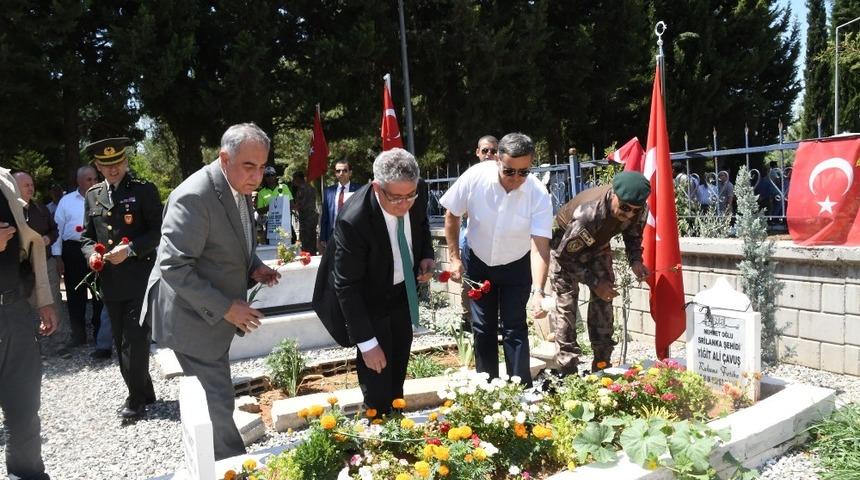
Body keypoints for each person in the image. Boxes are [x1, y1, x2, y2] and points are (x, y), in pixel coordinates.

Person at [143, 123, 280, 460]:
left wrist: (252, 267)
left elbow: (230, 239)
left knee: (210, 398)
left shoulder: (236, 184)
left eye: (262, 167)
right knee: (215, 400)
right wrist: (226, 308)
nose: (257, 176)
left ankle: (212, 462)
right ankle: (231, 466)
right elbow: (173, 266)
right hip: (189, 316)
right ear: (224, 158)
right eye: (250, 166)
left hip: (207, 310)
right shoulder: (194, 196)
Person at [313, 148, 434, 416]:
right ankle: (378, 425)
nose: (405, 204)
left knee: (399, 360)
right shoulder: (353, 219)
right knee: (377, 369)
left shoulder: (416, 189)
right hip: (369, 297)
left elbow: (421, 223)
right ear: (378, 188)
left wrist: (426, 255)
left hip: (401, 291)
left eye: (410, 196)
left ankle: (396, 418)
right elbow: (346, 286)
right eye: (396, 198)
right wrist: (367, 343)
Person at [440, 133, 552, 387]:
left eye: (523, 172)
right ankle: (488, 388)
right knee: (483, 328)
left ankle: (520, 390)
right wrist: (455, 258)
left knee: (515, 327)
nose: (516, 179)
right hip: (479, 261)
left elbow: (540, 246)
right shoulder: (475, 177)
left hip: (517, 263)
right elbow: (452, 214)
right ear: (497, 159)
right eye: (509, 171)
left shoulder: (537, 192)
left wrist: (538, 290)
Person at [78, 137, 163, 419]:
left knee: (134, 340)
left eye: (117, 164)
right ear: (98, 167)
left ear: (125, 162)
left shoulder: (143, 191)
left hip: (140, 278)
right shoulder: (93, 195)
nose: (113, 170)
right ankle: (145, 390)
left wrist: (131, 249)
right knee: (119, 338)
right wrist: (92, 254)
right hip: (111, 282)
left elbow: (156, 232)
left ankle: (135, 398)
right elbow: (87, 237)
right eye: (106, 165)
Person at [549, 172, 650, 374]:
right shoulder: (588, 213)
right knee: (567, 305)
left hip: (596, 246)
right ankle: (568, 370)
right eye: (624, 208)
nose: (628, 214)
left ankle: (602, 366)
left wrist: (636, 261)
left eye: (634, 210)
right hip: (564, 248)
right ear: (613, 194)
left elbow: (633, 234)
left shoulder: (636, 208)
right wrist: (595, 283)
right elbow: (565, 257)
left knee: (605, 300)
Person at [1, 166, 58, 480]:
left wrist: (43, 299)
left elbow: (29, 245)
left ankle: (28, 475)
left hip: (15, 311)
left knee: (23, 407)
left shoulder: (4, 179)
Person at [13, 171, 69, 358]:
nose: (30, 188)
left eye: (31, 184)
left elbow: (55, 230)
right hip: (22, 268)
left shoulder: (40, 208)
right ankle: (34, 347)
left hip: (46, 262)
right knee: (26, 305)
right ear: (14, 187)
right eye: (25, 185)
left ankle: (59, 342)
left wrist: (48, 238)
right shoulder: (10, 210)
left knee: (53, 300)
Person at [52, 166, 103, 348]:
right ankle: (79, 335)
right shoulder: (66, 202)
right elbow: (57, 231)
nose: (93, 182)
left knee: (99, 293)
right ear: (79, 181)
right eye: (89, 179)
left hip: (97, 248)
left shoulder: (103, 197)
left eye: (95, 179)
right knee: (75, 294)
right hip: (73, 250)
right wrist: (58, 257)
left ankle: (100, 335)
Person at [459, 135, 499, 327]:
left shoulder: (504, 175)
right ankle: (468, 318)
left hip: (497, 241)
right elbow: (457, 209)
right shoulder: (470, 176)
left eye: (493, 151)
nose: (489, 154)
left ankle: (493, 318)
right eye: (485, 151)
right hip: (471, 238)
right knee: (470, 280)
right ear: (477, 153)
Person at [318, 159, 360, 251]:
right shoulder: (328, 191)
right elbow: (325, 216)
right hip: (333, 235)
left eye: (345, 170)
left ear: (350, 173)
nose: (341, 173)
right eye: (338, 171)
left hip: (353, 235)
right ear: (335, 173)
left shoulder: (359, 190)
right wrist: (323, 237)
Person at [291, 170, 319, 254]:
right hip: (312, 219)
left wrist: (291, 207)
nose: (293, 181)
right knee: (312, 242)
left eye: (294, 179)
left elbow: (300, 205)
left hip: (306, 219)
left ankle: (307, 261)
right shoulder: (311, 188)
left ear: (298, 179)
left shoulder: (302, 190)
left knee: (306, 244)